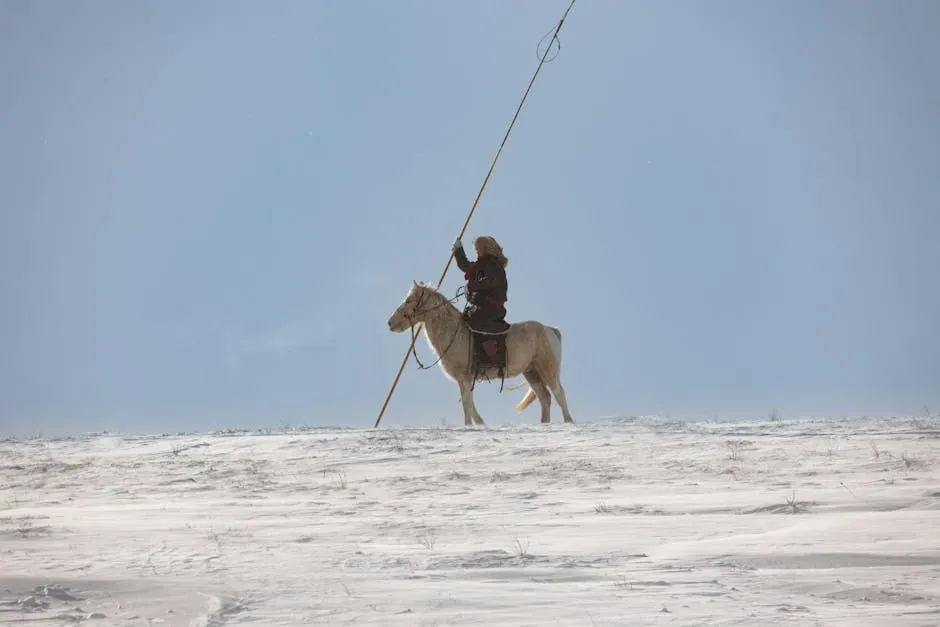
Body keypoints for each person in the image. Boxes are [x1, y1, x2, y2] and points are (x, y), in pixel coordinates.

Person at [452, 235, 510, 369]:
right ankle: (476, 353)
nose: (476, 250)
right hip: (482, 306)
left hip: (492, 307)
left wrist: (472, 286)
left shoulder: (495, 266)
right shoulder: (480, 265)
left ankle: (493, 356)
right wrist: (458, 250)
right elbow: (465, 266)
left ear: (485, 248)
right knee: (464, 320)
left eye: (478, 248)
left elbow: (490, 281)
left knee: (476, 320)